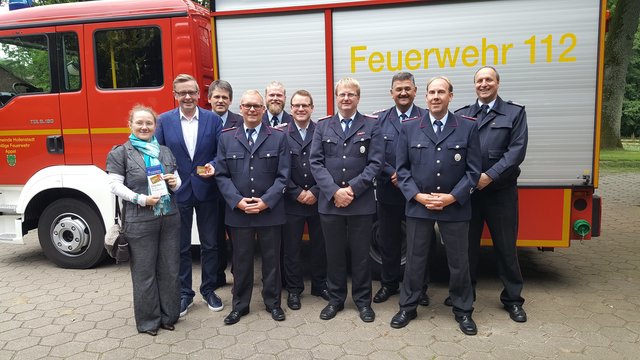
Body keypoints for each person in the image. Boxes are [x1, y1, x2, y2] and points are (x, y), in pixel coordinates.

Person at [390, 76, 481, 336]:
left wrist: (452, 197)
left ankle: (463, 311)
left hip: (455, 206)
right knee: (415, 260)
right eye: (431, 92)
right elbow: (402, 170)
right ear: (425, 97)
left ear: (450, 96)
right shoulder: (409, 127)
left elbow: (473, 172)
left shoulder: (467, 127)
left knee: (459, 261)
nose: (436, 97)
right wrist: (417, 196)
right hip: (419, 205)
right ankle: (408, 306)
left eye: (441, 92)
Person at [453, 66, 529, 323]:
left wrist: (490, 175)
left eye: (488, 80)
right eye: (479, 80)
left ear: (497, 83)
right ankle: (465, 295)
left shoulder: (514, 113)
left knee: (506, 248)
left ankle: (513, 299)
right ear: (474, 85)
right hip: (470, 194)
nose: (484, 84)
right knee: (467, 249)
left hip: (500, 193)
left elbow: (516, 151)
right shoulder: (463, 114)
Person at [310, 77, 383, 323]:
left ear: (358, 98)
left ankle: (363, 302)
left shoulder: (371, 125)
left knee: (361, 255)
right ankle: (336, 299)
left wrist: (351, 190)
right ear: (336, 97)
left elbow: (375, 163)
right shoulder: (323, 126)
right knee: (334, 254)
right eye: (342, 94)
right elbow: (316, 162)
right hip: (331, 204)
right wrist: (334, 192)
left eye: (351, 94)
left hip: (360, 203)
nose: (346, 98)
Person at [215, 89, 290, 325]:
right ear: (240, 108)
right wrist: (237, 201)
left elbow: (283, 175)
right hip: (239, 212)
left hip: (269, 211)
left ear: (263, 109)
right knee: (242, 261)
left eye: (257, 106)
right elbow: (221, 175)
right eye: (247, 105)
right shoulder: (227, 138)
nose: (252, 110)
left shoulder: (278, 137)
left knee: (271, 261)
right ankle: (240, 306)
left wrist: (266, 201)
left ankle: (273, 303)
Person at [106, 105, 181, 336]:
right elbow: (114, 185)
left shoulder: (165, 151)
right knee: (144, 273)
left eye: (149, 123)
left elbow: (178, 182)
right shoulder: (121, 153)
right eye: (139, 122)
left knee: (170, 270)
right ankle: (149, 322)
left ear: (155, 126)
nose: (144, 127)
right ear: (130, 124)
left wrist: (173, 182)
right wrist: (140, 199)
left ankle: (169, 316)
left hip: (169, 217)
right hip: (139, 220)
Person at [156, 74, 223, 317]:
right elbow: (159, 156)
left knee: (210, 244)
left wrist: (215, 165)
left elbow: (221, 152)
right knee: (181, 246)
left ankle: (209, 289)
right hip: (178, 192)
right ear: (174, 95)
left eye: (191, 92)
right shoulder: (163, 121)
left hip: (207, 190)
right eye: (182, 93)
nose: (187, 97)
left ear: (198, 94)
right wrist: (166, 178)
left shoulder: (213, 120)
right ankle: (185, 293)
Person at [373, 72, 431, 306]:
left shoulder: (427, 118)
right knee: (388, 240)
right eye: (398, 89)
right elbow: (374, 154)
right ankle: (389, 284)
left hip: (417, 192)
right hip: (388, 190)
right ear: (392, 93)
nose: (403, 93)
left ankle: (420, 288)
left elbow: (431, 154)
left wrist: (407, 177)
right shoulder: (379, 120)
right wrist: (392, 173)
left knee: (420, 242)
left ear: (415, 91)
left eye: (407, 88)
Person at [282, 90, 330, 310]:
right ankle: (294, 289)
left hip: (318, 199)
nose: (300, 109)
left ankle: (320, 285)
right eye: (296, 106)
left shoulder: (322, 131)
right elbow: (279, 169)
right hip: (292, 201)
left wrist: (316, 191)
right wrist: (296, 192)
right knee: (291, 248)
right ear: (290, 108)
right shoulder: (281, 134)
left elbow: (329, 164)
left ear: (312, 108)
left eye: (305, 105)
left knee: (320, 246)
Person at [207, 79, 242, 288]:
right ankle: (217, 277)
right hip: (210, 190)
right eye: (216, 97)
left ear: (230, 100)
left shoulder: (240, 121)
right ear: (209, 99)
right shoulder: (201, 120)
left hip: (234, 189)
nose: (220, 101)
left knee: (238, 238)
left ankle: (239, 275)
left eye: (224, 97)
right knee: (214, 237)